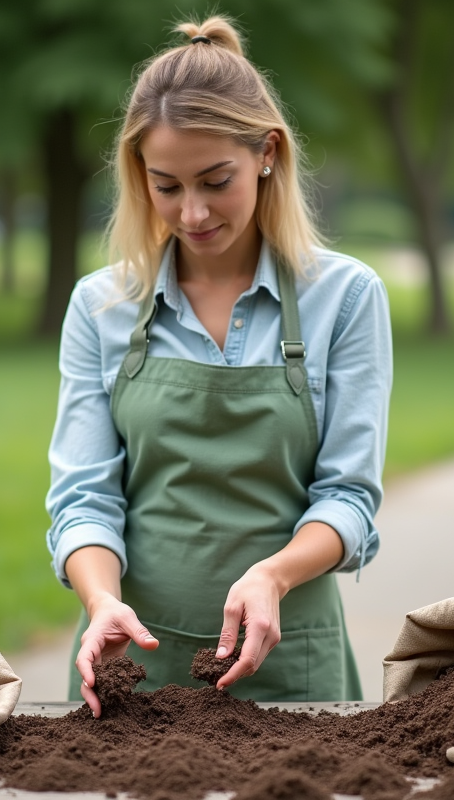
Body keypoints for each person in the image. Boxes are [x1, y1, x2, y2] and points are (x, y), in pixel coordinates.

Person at [44, 15, 392, 718]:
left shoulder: (347, 298)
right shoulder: (100, 305)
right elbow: (84, 500)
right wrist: (101, 600)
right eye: (166, 186)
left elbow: (349, 498)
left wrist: (272, 576)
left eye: (215, 180)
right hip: (129, 670)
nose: (193, 212)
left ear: (267, 153)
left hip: (295, 666)